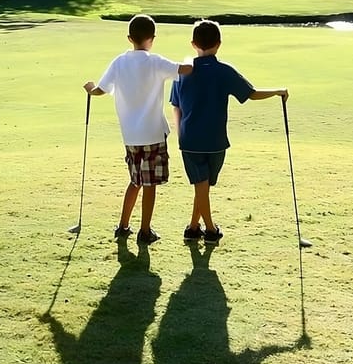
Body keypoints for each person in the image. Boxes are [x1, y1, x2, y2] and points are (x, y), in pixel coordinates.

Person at [169, 19, 288, 245]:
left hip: (190, 140)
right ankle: (210, 230)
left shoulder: (181, 72)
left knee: (201, 186)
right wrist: (277, 91)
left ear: (193, 43)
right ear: (219, 44)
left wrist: (180, 132)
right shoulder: (224, 71)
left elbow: (175, 105)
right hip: (216, 141)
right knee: (203, 186)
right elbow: (251, 93)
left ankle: (194, 227)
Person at [83, 14, 192, 245]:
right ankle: (145, 231)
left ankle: (123, 226)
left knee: (135, 181)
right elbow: (184, 70)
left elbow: (101, 90)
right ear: (152, 39)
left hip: (130, 136)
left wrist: (90, 88)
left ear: (129, 38)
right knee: (150, 185)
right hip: (153, 133)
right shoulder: (156, 61)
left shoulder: (119, 62)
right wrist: (191, 59)